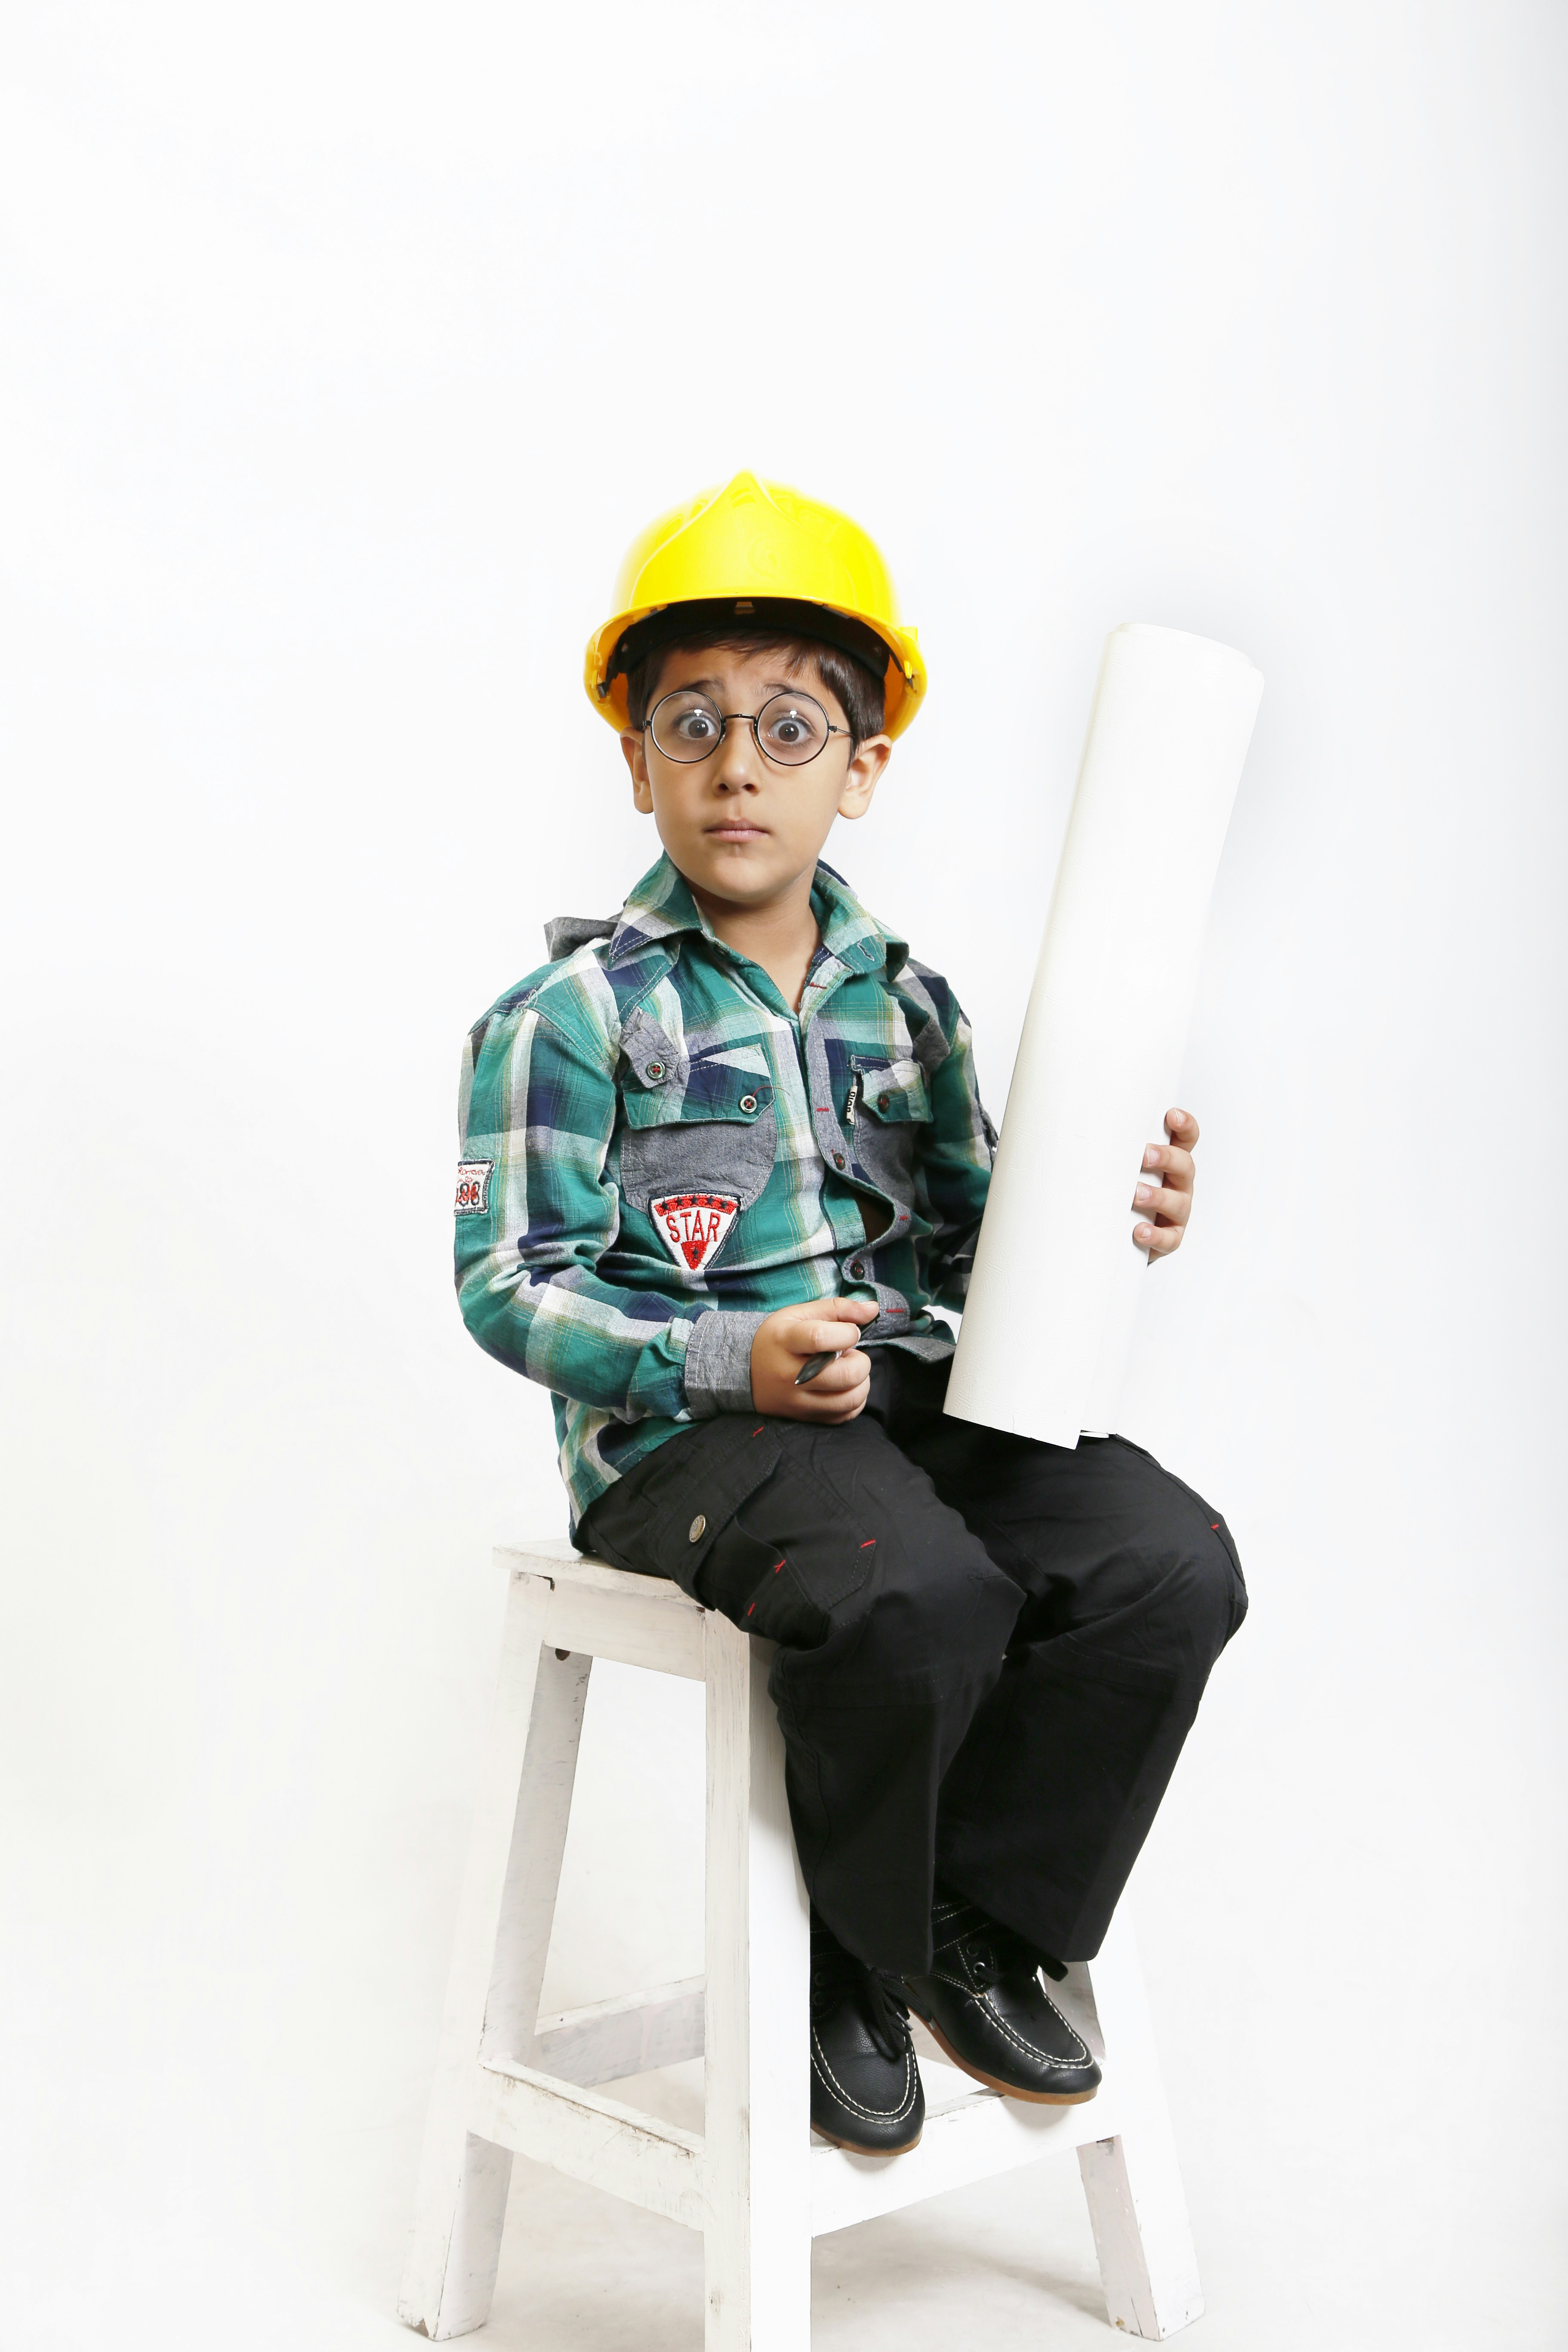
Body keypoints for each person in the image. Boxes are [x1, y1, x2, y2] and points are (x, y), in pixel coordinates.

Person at [454, 473, 1246, 2156]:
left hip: (901, 1407)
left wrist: (1112, 1219)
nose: (741, 762)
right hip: (689, 1439)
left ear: (863, 766)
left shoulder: (914, 1006)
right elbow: (509, 1286)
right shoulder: (570, 1012)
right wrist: (729, 1354)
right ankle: (849, 1959)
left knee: (1169, 1561)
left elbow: (980, 1242)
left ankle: (971, 1918)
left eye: (793, 726)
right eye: (697, 723)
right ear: (638, 756)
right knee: (915, 1588)